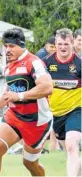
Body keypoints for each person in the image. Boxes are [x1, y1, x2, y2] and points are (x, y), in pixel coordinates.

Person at [0, 28, 54, 176]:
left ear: (21, 46)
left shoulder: (34, 62)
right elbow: (8, 93)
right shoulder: (8, 65)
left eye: (11, 46)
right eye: (5, 46)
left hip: (37, 121)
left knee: (29, 163)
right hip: (14, 116)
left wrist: (20, 96)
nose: (7, 50)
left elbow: (47, 87)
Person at [42, 28, 81, 176]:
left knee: (71, 146)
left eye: (66, 44)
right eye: (59, 44)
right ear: (55, 44)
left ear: (72, 44)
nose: (63, 47)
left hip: (76, 110)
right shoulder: (46, 63)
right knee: (72, 152)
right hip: (56, 115)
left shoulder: (79, 63)